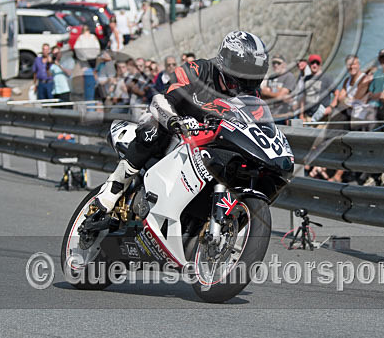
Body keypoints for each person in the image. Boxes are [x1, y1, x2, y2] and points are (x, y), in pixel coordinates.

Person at [91, 31, 270, 213]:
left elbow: (256, 124)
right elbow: (162, 100)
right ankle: (116, 185)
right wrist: (175, 121)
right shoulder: (199, 70)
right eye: (245, 72)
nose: (247, 80)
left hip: (209, 142)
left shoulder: (251, 95)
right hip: (173, 125)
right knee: (153, 129)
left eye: (254, 75)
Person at [260, 54, 297, 122]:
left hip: (285, 116)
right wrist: (274, 94)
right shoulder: (271, 77)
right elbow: (263, 96)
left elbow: (280, 96)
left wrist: (267, 92)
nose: (276, 65)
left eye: (278, 63)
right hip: (271, 115)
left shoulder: (289, 76)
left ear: (284, 64)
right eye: (274, 63)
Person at [299, 54, 334, 121]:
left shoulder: (327, 77)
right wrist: (301, 114)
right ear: (309, 65)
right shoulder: (306, 79)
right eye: (312, 63)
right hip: (308, 116)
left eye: (317, 63)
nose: (314, 65)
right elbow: (303, 98)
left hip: (322, 117)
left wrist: (330, 107)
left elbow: (337, 94)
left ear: (320, 65)